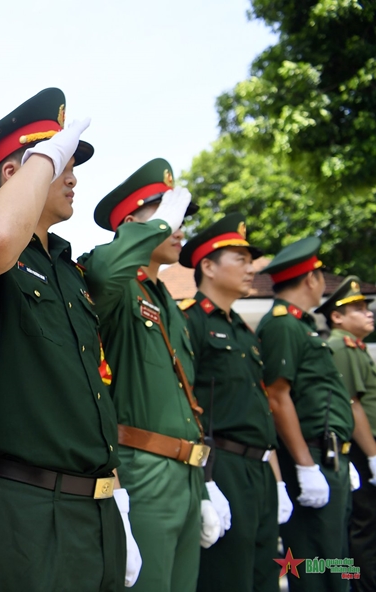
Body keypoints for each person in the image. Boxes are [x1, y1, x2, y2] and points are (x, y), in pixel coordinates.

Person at [0, 87, 139, 592]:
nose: (71, 175)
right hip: (24, 507)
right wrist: (43, 157)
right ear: (16, 173)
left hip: (94, 505)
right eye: (58, 163)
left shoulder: (71, 271)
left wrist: (113, 492)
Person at [80, 159, 223, 592]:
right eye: (164, 213)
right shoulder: (119, 284)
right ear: (131, 225)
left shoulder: (163, 300)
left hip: (185, 473)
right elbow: (103, 273)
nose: (178, 227)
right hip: (143, 473)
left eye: (178, 217)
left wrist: (201, 490)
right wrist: (157, 226)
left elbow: (181, 402)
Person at [178, 213, 291, 592]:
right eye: (239, 259)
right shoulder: (188, 321)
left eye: (250, 259)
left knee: (264, 577)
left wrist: (276, 480)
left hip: (259, 468)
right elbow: (185, 405)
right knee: (229, 578)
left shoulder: (244, 330)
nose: (250, 267)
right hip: (222, 467)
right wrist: (203, 482)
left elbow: (260, 408)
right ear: (207, 266)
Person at [256, 237, 354, 592]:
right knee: (314, 567)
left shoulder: (301, 325)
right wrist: (305, 465)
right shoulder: (282, 324)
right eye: (320, 274)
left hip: (328, 456)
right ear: (309, 279)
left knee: (339, 562)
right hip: (310, 456)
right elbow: (277, 397)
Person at [315, 276, 376, 591]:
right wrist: (373, 456)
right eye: (357, 307)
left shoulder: (356, 347)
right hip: (361, 453)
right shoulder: (341, 345)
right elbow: (351, 404)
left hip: (364, 453)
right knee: (362, 530)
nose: (368, 312)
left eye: (367, 306)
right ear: (336, 317)